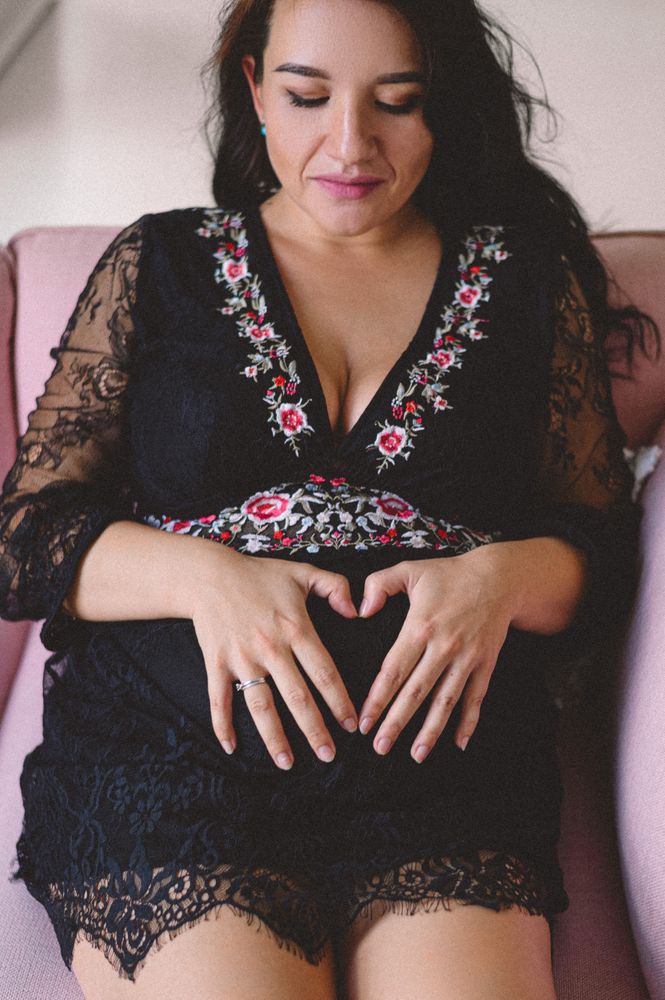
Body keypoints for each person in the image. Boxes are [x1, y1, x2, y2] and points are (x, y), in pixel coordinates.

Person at [0, 0, 658, 997]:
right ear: (256, 89)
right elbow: (25, 538)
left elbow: (601, 545)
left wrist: (498, 578)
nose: (350, 144)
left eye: (397, 100)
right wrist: (206, 578)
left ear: (443, 103)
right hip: (175, 759)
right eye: (307, 96)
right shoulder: (160, 265)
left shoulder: (526, 283)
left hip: (439, 772)